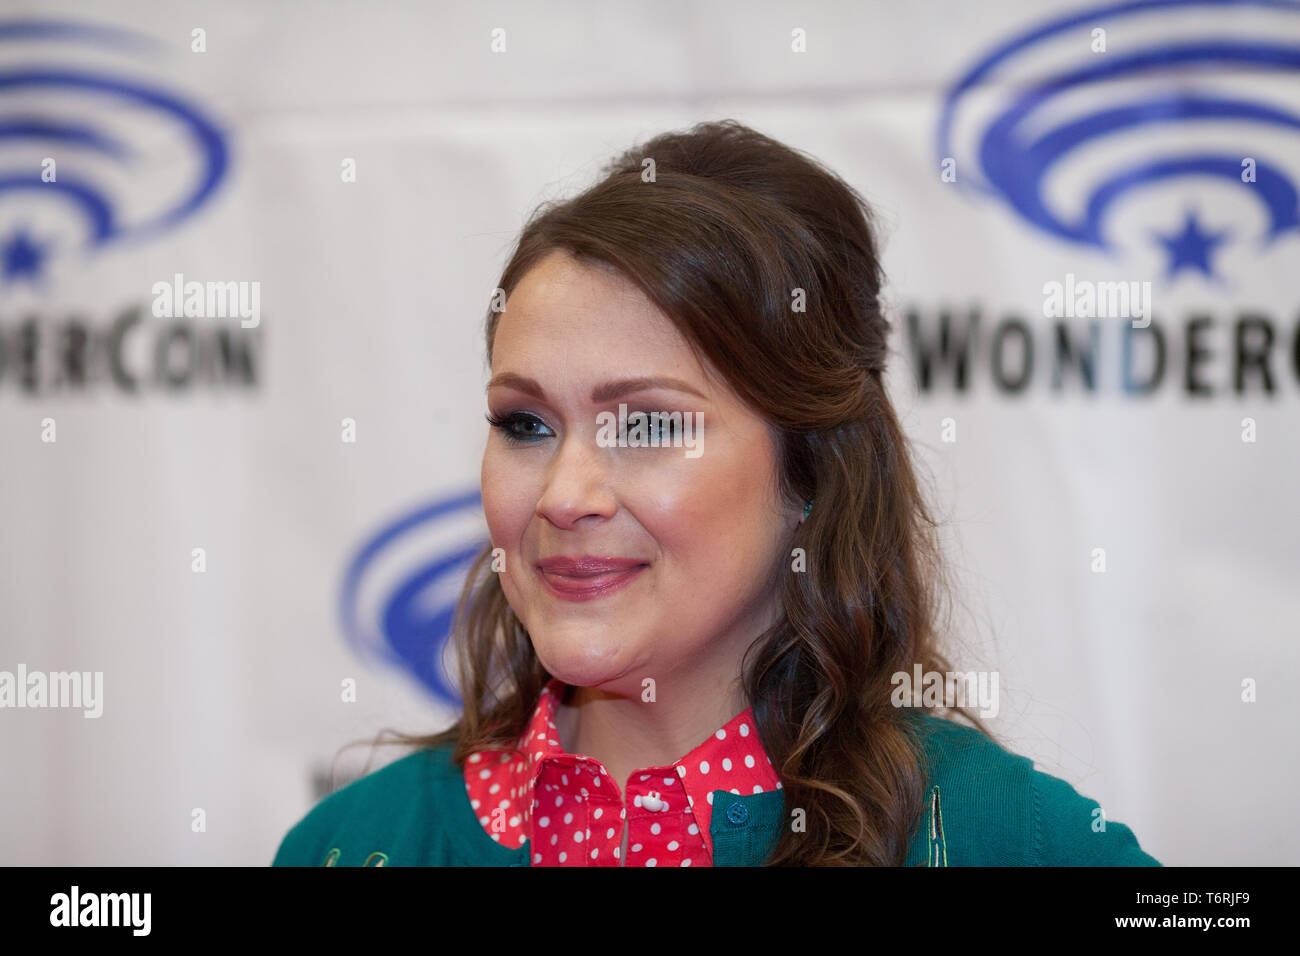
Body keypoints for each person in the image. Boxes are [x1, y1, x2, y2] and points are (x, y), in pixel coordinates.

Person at [272, 119, 1159, 867]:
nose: (565, 495)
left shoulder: (988, 836)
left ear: (812, 468)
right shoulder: (356, 843)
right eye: (526, 425)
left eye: (649, 425)